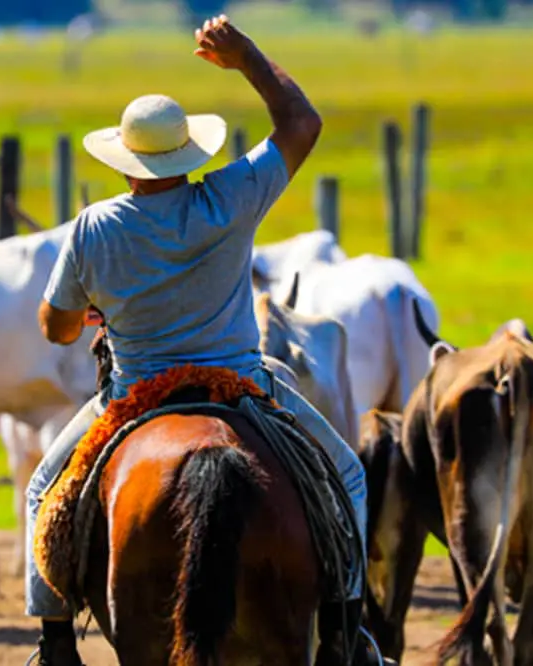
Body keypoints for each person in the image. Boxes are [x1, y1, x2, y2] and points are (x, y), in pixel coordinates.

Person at [28, 15, 370, 665]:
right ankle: (349, 637)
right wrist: (247, 59)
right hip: (240, 382)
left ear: (125, 162)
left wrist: (95, 310)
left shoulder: (95, 227)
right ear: (188, 155)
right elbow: (302, 125)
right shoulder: (231, 196)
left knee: (45, 488)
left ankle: (52, 646)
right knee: (346, 477)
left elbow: (55, 326)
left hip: (133, 395)